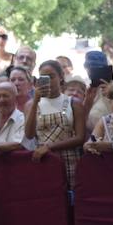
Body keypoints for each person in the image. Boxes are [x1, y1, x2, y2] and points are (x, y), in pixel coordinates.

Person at [24, 59, 85, 188]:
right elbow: (29, 134)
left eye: (51, 77)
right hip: (44, 160)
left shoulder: (73, 103)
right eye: (43, 77)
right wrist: (35, 101)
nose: (48, 81)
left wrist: (50, 147)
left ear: (61, 77)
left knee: (71, 198)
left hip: (70, 159)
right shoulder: (30, 105)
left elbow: (80, 138)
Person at [82, 50, 113, 135]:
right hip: (92, 139)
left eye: (100, 68)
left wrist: (112, 95)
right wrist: (87, 102)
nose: (94, 71)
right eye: (91, 67)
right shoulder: (86, 91)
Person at [84, 82, 113, 156]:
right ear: (110, 100)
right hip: (110, 165)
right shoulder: (104, 121)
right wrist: (91, 146)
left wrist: (111, 146)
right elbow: (89, 143)